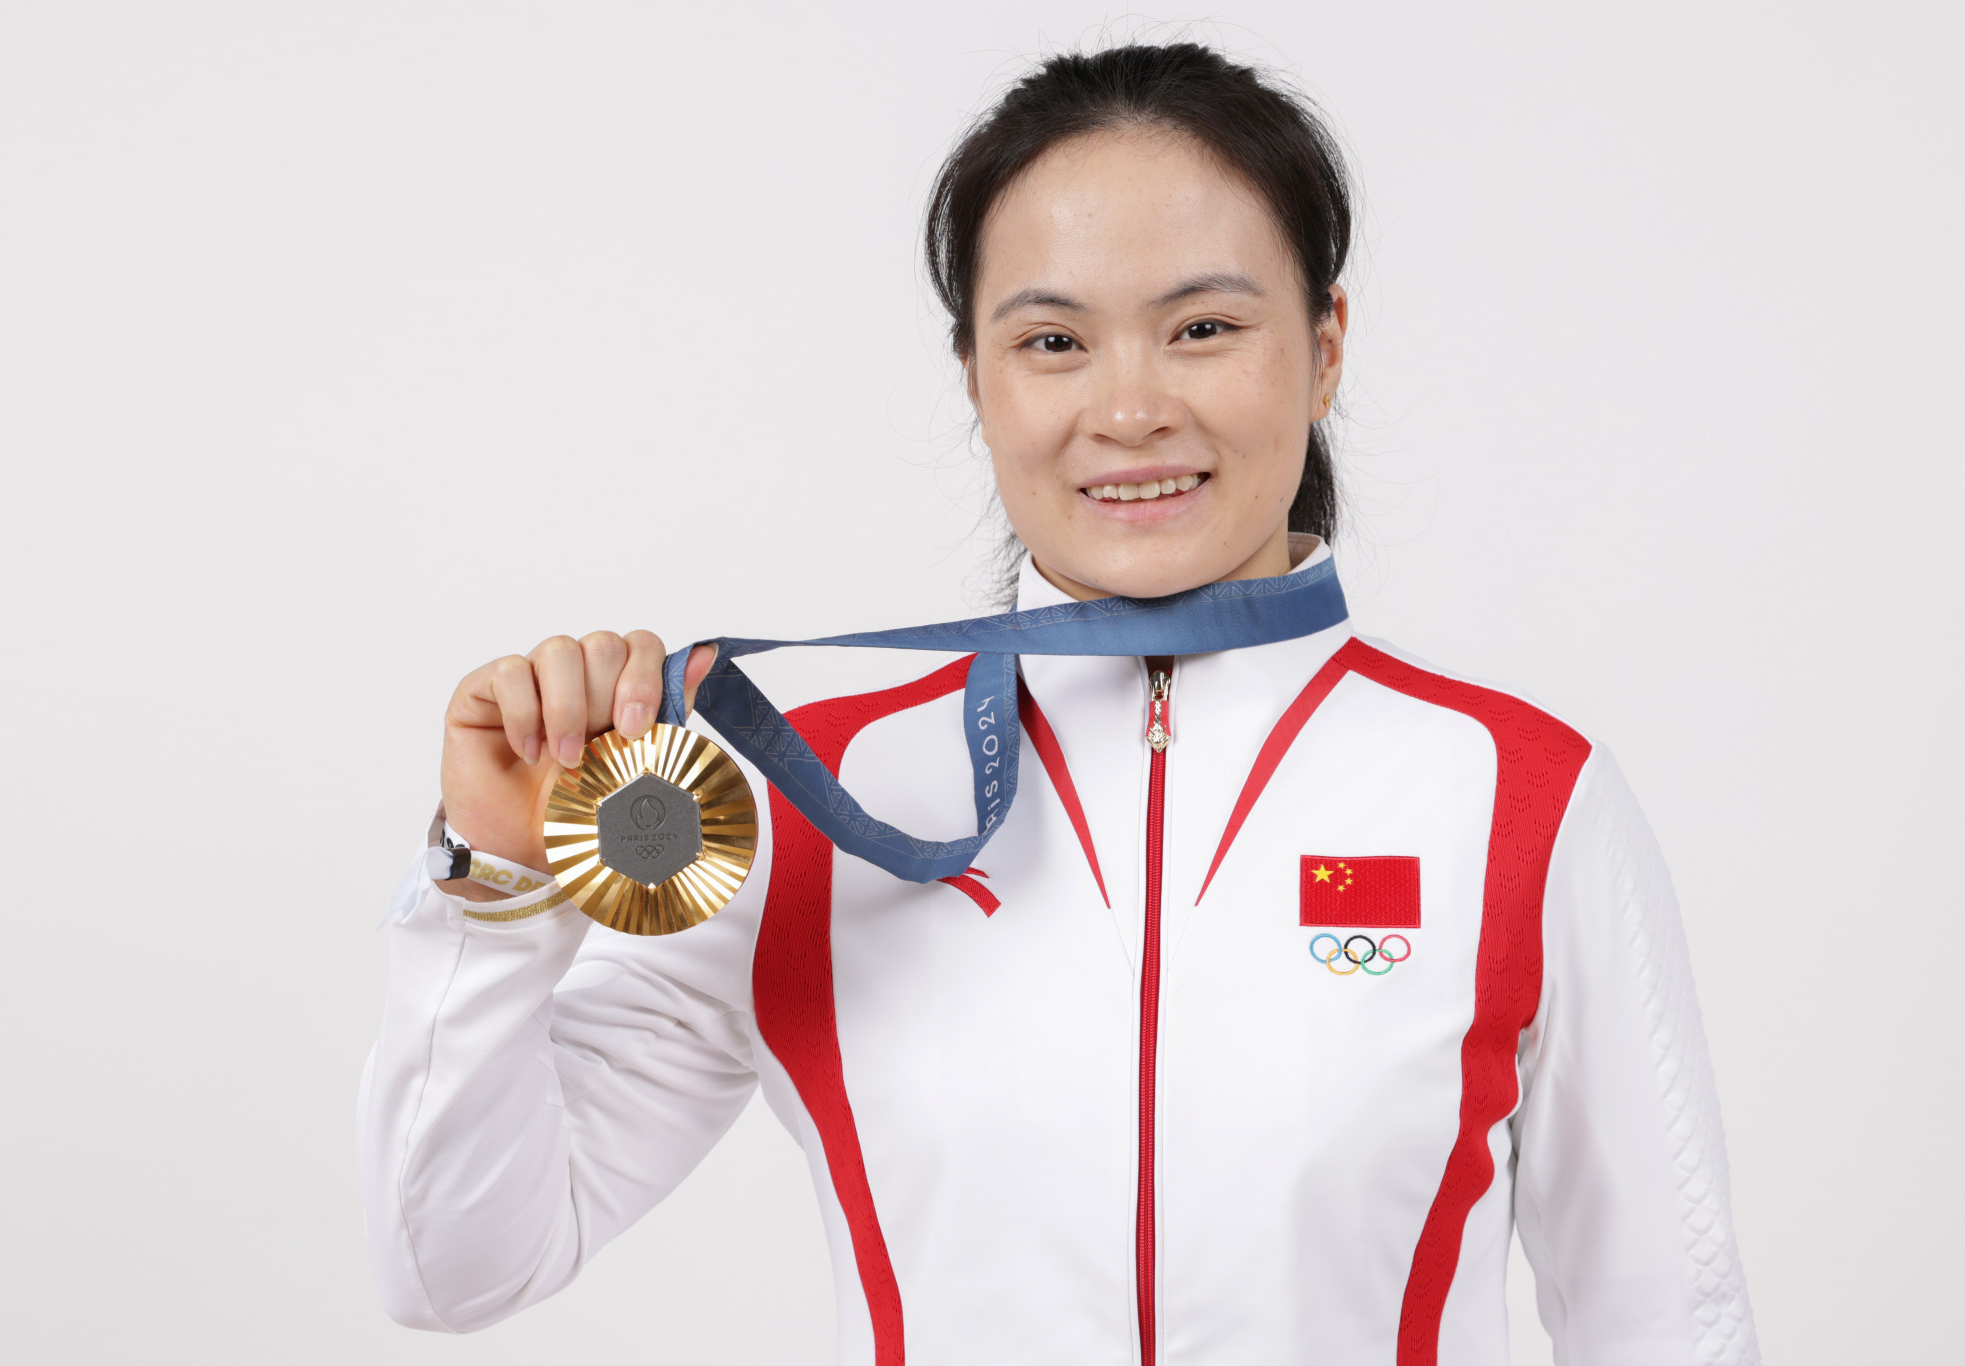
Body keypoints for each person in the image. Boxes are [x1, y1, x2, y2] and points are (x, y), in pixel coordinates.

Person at [358, 42, 1759, 1365]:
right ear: (974, 374)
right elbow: (458, 1261)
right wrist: (497, 878)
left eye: (1203, 326)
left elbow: (1667, 1324)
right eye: (1053, 342)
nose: (1132, 408)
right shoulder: (817, 800)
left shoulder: (1518, 795)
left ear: (1327, 346)